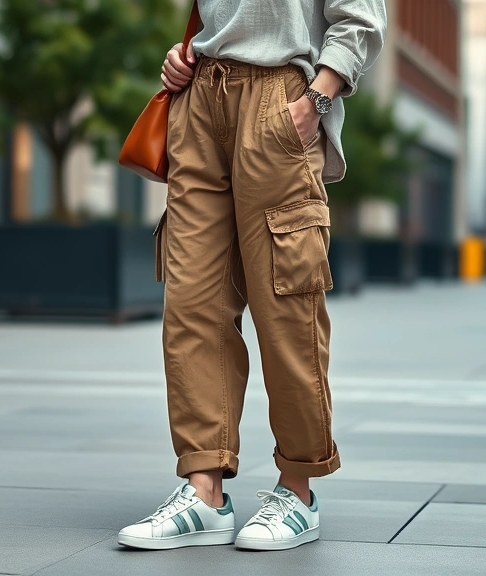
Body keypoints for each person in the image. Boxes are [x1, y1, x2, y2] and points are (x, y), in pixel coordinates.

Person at [117, 0, 386, 552]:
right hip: (200, 100)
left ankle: (298, 488)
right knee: (192, 300)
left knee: (286, 300)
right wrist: (184, 54)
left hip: (279, 101)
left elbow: (361, 17)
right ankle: (204, 492)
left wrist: (316, 97)